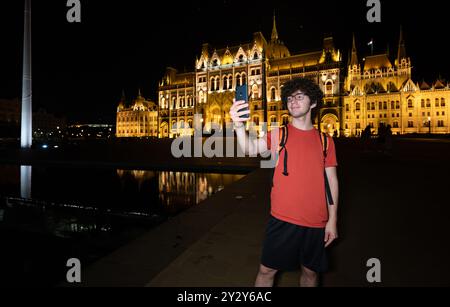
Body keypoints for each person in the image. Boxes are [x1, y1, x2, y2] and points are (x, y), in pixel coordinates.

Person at [229, 78, 339, 287]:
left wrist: (332, 220)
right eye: (290, 97)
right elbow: (249, 149)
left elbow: (332, 182)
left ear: (313, 102)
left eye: (300, 96)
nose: (293, 101)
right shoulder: (279, 134)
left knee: (311, 273)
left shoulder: (326, 141)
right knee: (266, 270)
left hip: (316, 221)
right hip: (282, 218)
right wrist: (238, 124)